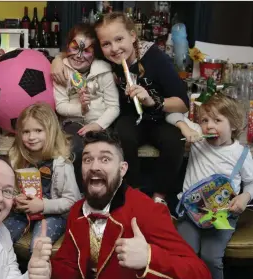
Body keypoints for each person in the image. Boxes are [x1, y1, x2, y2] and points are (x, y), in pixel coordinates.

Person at [51, 12, 189, 205]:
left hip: (160, 118)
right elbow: (78, 51)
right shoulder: (107, 58)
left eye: (119, 39)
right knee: (122, 135)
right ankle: (133, 193)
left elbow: (182, 102)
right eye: (106, 44)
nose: (114, 48)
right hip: (129, 117)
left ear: (133, 36)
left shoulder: (156, 58)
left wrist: (152, 101)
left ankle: (160, 196)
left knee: (174, 141)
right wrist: (57, 60)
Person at [51, 130, 211, 279]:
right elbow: (69, 265)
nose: (94, 167)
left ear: (122, 169)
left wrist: (149, 257)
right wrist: (47, 271)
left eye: (105, 159)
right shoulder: (77, 210)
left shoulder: (147, 211)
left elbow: (200, 272)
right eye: (87, 160)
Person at [175, 94, 253, 279]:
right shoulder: (198, 142)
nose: (209, 126)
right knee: (186, 253)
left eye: (217, 120)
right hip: (190, 213)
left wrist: (245, 196)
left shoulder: (241, 154)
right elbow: (173, 115)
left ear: (233, 125)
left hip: (222, 214)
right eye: (204, 120)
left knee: (211, 257)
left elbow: (251, 182)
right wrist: (185, 128)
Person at [3, 103, 81, 251]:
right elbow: (9, 190)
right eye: (26, 132)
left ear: (50, 132)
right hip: (23, 213)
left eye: (38, 130)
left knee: (38, 246)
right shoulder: (17, 159)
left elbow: (72, 201)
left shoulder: (62, 163)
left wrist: (43, 206)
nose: (31, 137)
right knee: (1, 238)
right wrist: (15, 199)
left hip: (53, 215)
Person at [53, 23, 119, 191]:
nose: (79, 55)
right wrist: (81, 109)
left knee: (107, 151)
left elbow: (114, 107)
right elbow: (60, 106)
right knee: (77, 149)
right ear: (67, 46)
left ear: (95, 53)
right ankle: (79, 193)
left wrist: (98, 124)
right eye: (75, 48)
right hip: (72, 123)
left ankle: (105, 191)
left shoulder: (104, 71)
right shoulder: (62, 71)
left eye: (87, 50)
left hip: (101, 123)